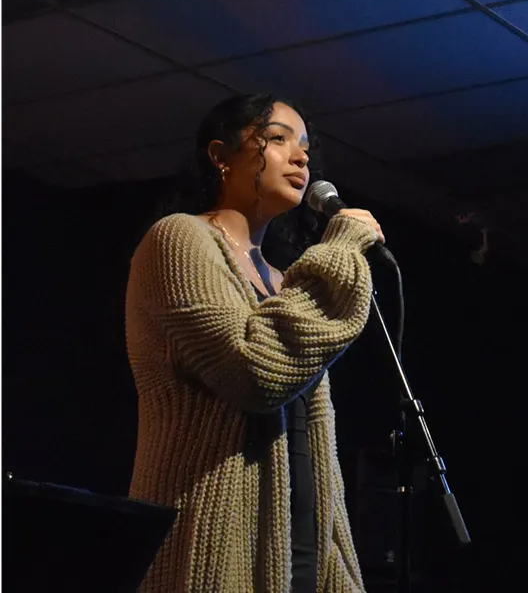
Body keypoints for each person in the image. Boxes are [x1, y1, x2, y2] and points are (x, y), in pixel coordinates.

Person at [125, 93, 384, 592]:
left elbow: (314, 433)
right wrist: (342, 249)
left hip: (302, 546)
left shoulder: (285, 282)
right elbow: (253, 372)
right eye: (277, 138)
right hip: (216, 541)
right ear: (221, 156)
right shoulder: (178, 240)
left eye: (305, 146)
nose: (302, 157)